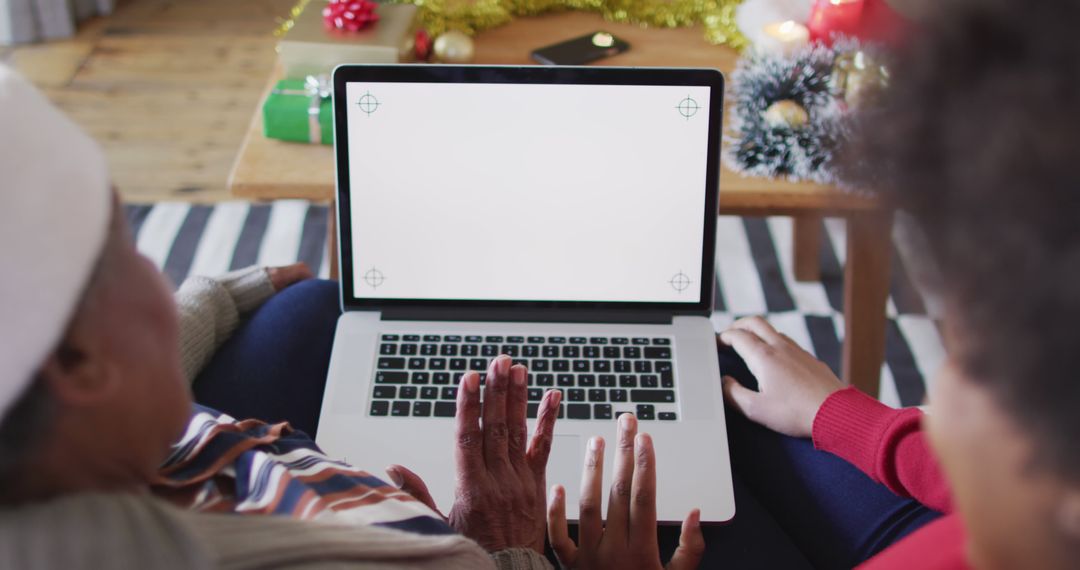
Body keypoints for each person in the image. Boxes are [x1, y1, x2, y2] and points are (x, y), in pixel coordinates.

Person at [0, 63, 704, 569]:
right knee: (725, 400)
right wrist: (508, 547)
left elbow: (85, 356)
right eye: (126, 249)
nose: (160, 271)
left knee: (308, 300)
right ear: (79, 365)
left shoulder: (64, 448)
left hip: (258, 452)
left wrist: (215, 297)